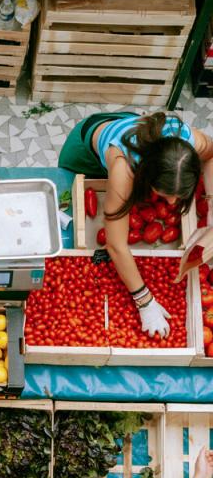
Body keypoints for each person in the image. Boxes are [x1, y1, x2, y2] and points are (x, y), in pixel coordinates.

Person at [58, 111, 213, 337]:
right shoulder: (123, 166)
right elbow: (115, 245)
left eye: (179, 195)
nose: (171, 202)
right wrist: (145, 301)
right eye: (165, 193)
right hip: (89, 149)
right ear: (146, 175)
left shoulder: (188, 144)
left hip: (139, 133)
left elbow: (211, 156)